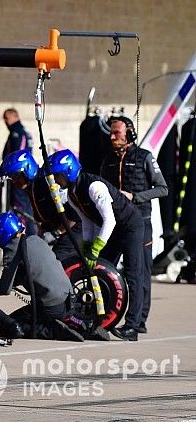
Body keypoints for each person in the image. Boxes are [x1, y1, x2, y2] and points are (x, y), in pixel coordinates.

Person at [48, 149, 145, 341]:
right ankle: (99, 318)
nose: (56, 180)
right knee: (100, 271)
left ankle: (133, 327)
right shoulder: (72, 193)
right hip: (111, 229)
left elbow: (109, 220)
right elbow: (87, 221)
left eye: (57, 175)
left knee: (133, 274)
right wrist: (87, 248)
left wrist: (96, 248)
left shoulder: (94, 186)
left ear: (68, 172)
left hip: (129, 225)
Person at [100, 116, 168, 335]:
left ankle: (137, 322)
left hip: (141, 223)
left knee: (138, 273)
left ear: (129, 133)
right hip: (115, 224)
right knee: (104, 268)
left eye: (116, 133)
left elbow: (162, 188)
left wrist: (135, 197)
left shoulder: (144, 157)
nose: (112, 137)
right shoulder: (108, 159)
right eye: (111, 133)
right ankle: (102, 317)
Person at [0, 211, 84, 341]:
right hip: (70, 300)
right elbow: (27, 275)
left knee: (9, 326)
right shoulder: (35, 239)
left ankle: (52, 330)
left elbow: (4, 288)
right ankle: (84, 327)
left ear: (2, 235)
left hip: (52, 307)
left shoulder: (13, 250)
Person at [2, 108, 35, 235]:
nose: (5, 121)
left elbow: (15, 156)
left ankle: (25, 235)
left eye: (7, 118)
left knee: (19, 206)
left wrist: (9, 172)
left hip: (18, 176)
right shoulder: (25, 131)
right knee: (25, 205)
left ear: (15, 116)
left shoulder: (16, 132)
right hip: (25, 174)